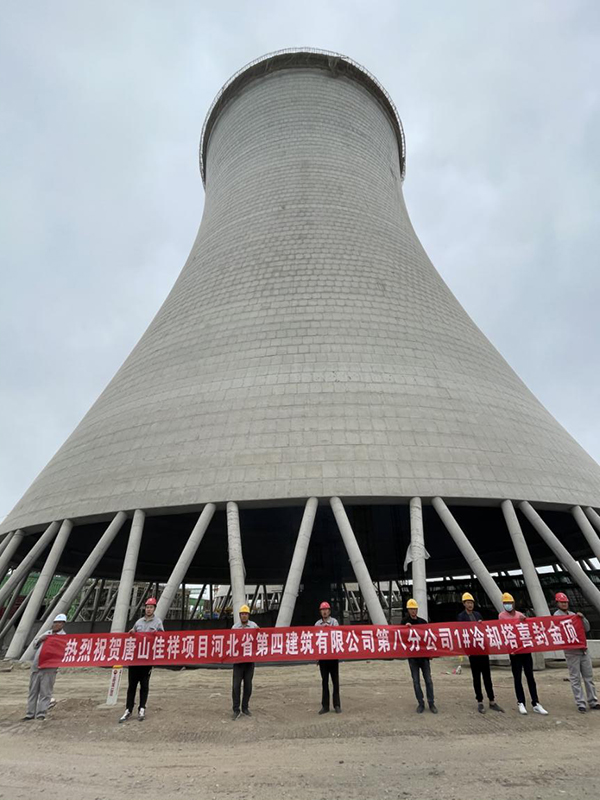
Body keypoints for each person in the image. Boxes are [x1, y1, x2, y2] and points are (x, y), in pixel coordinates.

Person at [498, 592, 548, 716]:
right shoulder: (502, 616)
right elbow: (504, 631)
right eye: (505, 603)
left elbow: (528, 629)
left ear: (513, 603)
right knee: (517, 678)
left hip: (525, 649)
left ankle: (536, 703)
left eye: (509, 603)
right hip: (514, 651)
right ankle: (521, 702)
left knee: (530, 676)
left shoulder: (520, 615)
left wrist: (525, 621)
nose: (508, 605)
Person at [457, 592, 504, 714]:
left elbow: (483, 630)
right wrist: (467, 651)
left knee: (487, 676)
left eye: (471, 603)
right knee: (476, 678)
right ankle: (480, 701)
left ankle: (492, 700)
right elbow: (462, 634)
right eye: (468, 603)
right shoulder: (461, 617)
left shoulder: (478, 614)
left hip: (483, 650)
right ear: (464, 604)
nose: (470, 605)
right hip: (473, 651)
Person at [553, 592, 599, 713]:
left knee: (588, 677)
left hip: (583, 649)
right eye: (562, 602)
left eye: (565, 602)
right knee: (575, 678)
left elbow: (586, 628)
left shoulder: (573, 615)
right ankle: (580, 703)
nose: (564, 604)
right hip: (571, 651)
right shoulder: (556, 616)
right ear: (557, 603)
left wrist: (582, 618)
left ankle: (593, 701)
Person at [119, 597, 164, 723]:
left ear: (154, 609)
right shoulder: (139, 622)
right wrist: (132, 632)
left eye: (151, 607)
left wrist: (157, 635)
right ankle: (128, 709)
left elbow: (163, 638)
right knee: (132, 685)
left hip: (147, 659)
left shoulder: (158, 623)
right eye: (147, 607)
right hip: (135, 658)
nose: (149, 609)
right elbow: (132, 634)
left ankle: (142, 708)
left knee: (144, 685)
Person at [23, 613, 67, 721]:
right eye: (55, 622)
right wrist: (40, 639)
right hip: (37, 666)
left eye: (58, 623)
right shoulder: (47, 633)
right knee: (33, 691)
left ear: (62, 624)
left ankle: (41, 714)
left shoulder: (63, 637)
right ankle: (30, 713)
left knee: (45, 692)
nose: (55, 625)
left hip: (49, 668)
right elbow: (34, 645)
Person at [403, 599, 437, 714]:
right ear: (408, 610)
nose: (413, 611)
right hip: (413, 658)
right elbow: (400, 637)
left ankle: (431, 702)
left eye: (415, 609)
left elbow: (428, 638)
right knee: (416, 682)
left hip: (424, 657)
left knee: (428, 680)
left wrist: (430, 653)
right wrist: (405, 629)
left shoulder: (423, 622)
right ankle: (420, 703)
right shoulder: (404, 623)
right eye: (411, 609)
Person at [231, 604, 259, 720]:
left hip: (249, 661)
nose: (244, 616)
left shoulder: (254, 626)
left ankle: (245, 707)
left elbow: (260, 639)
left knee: (248, 685)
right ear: (239, 615)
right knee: (236, 686)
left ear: (248, 615)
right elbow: (231, 642)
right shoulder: (235, 627)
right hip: (238, 661)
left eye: (246, 614)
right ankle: (236, 709)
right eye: (242, 614)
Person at [315, 601, 341, 714]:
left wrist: (329, 629)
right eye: (322, 610)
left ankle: (337, 705)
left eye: (326, 610)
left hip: (333, 656)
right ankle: (325, 706)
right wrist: (317, 657)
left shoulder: (334, 622)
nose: (324, 612)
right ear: (320, 612)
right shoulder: (317, 624)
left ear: (329, 611)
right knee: (324, 682)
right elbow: (315, 641)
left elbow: (338, 635)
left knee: (335, 682)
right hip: (323, 658)